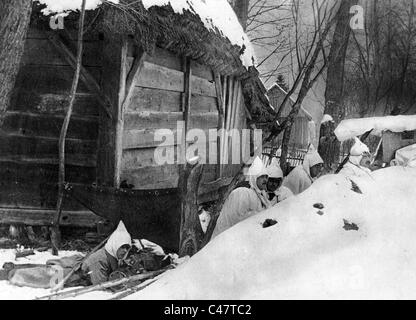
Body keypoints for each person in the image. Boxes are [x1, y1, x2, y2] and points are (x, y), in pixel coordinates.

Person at [211, 157, 271, 239]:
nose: (265, 180)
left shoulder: (262, 195)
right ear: (254, 177)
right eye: (262, 177)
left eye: (266, 177)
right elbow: (236, 218)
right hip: (228, 237)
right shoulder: (243, 193)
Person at [81, 220, 132, 285]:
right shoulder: (99, 261)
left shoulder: (114, 256)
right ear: (114, 245)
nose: (125, 250)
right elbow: (100, 288)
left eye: (127, 248)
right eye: (122, 247)